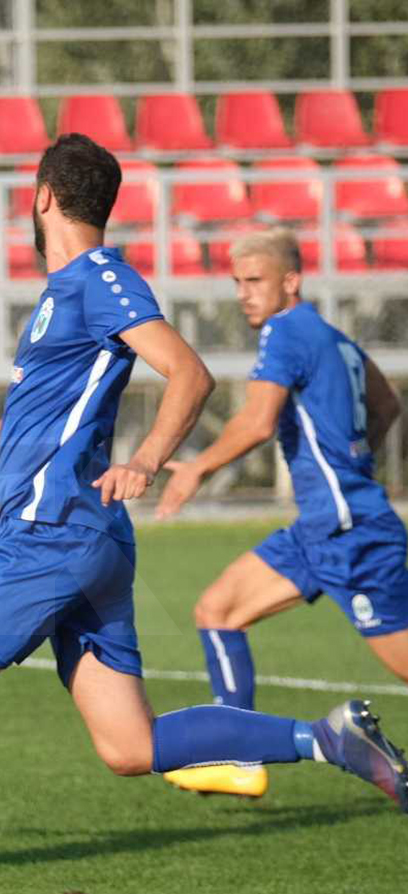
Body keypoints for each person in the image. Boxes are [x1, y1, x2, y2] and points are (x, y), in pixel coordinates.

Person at [0, 136, 408, 894]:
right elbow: (54, 408)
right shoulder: (64, 294)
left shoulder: (99, 278)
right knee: (130, 747)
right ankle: (327, 740)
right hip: (80, 538)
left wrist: (149, 457)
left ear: (44, 195)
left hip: (53, 535)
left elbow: (189, 374)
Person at [155, 229, 408, 798]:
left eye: (255, 281)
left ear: (290, 282)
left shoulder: (285, 331)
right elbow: (387, 401)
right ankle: (237, 753)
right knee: (217, 610)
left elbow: (257, 421)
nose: (243, 294)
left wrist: (197, 467)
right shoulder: (334, 338)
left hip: (350, 533)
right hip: (322, 527)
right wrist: (352, 458)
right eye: (237, 283)